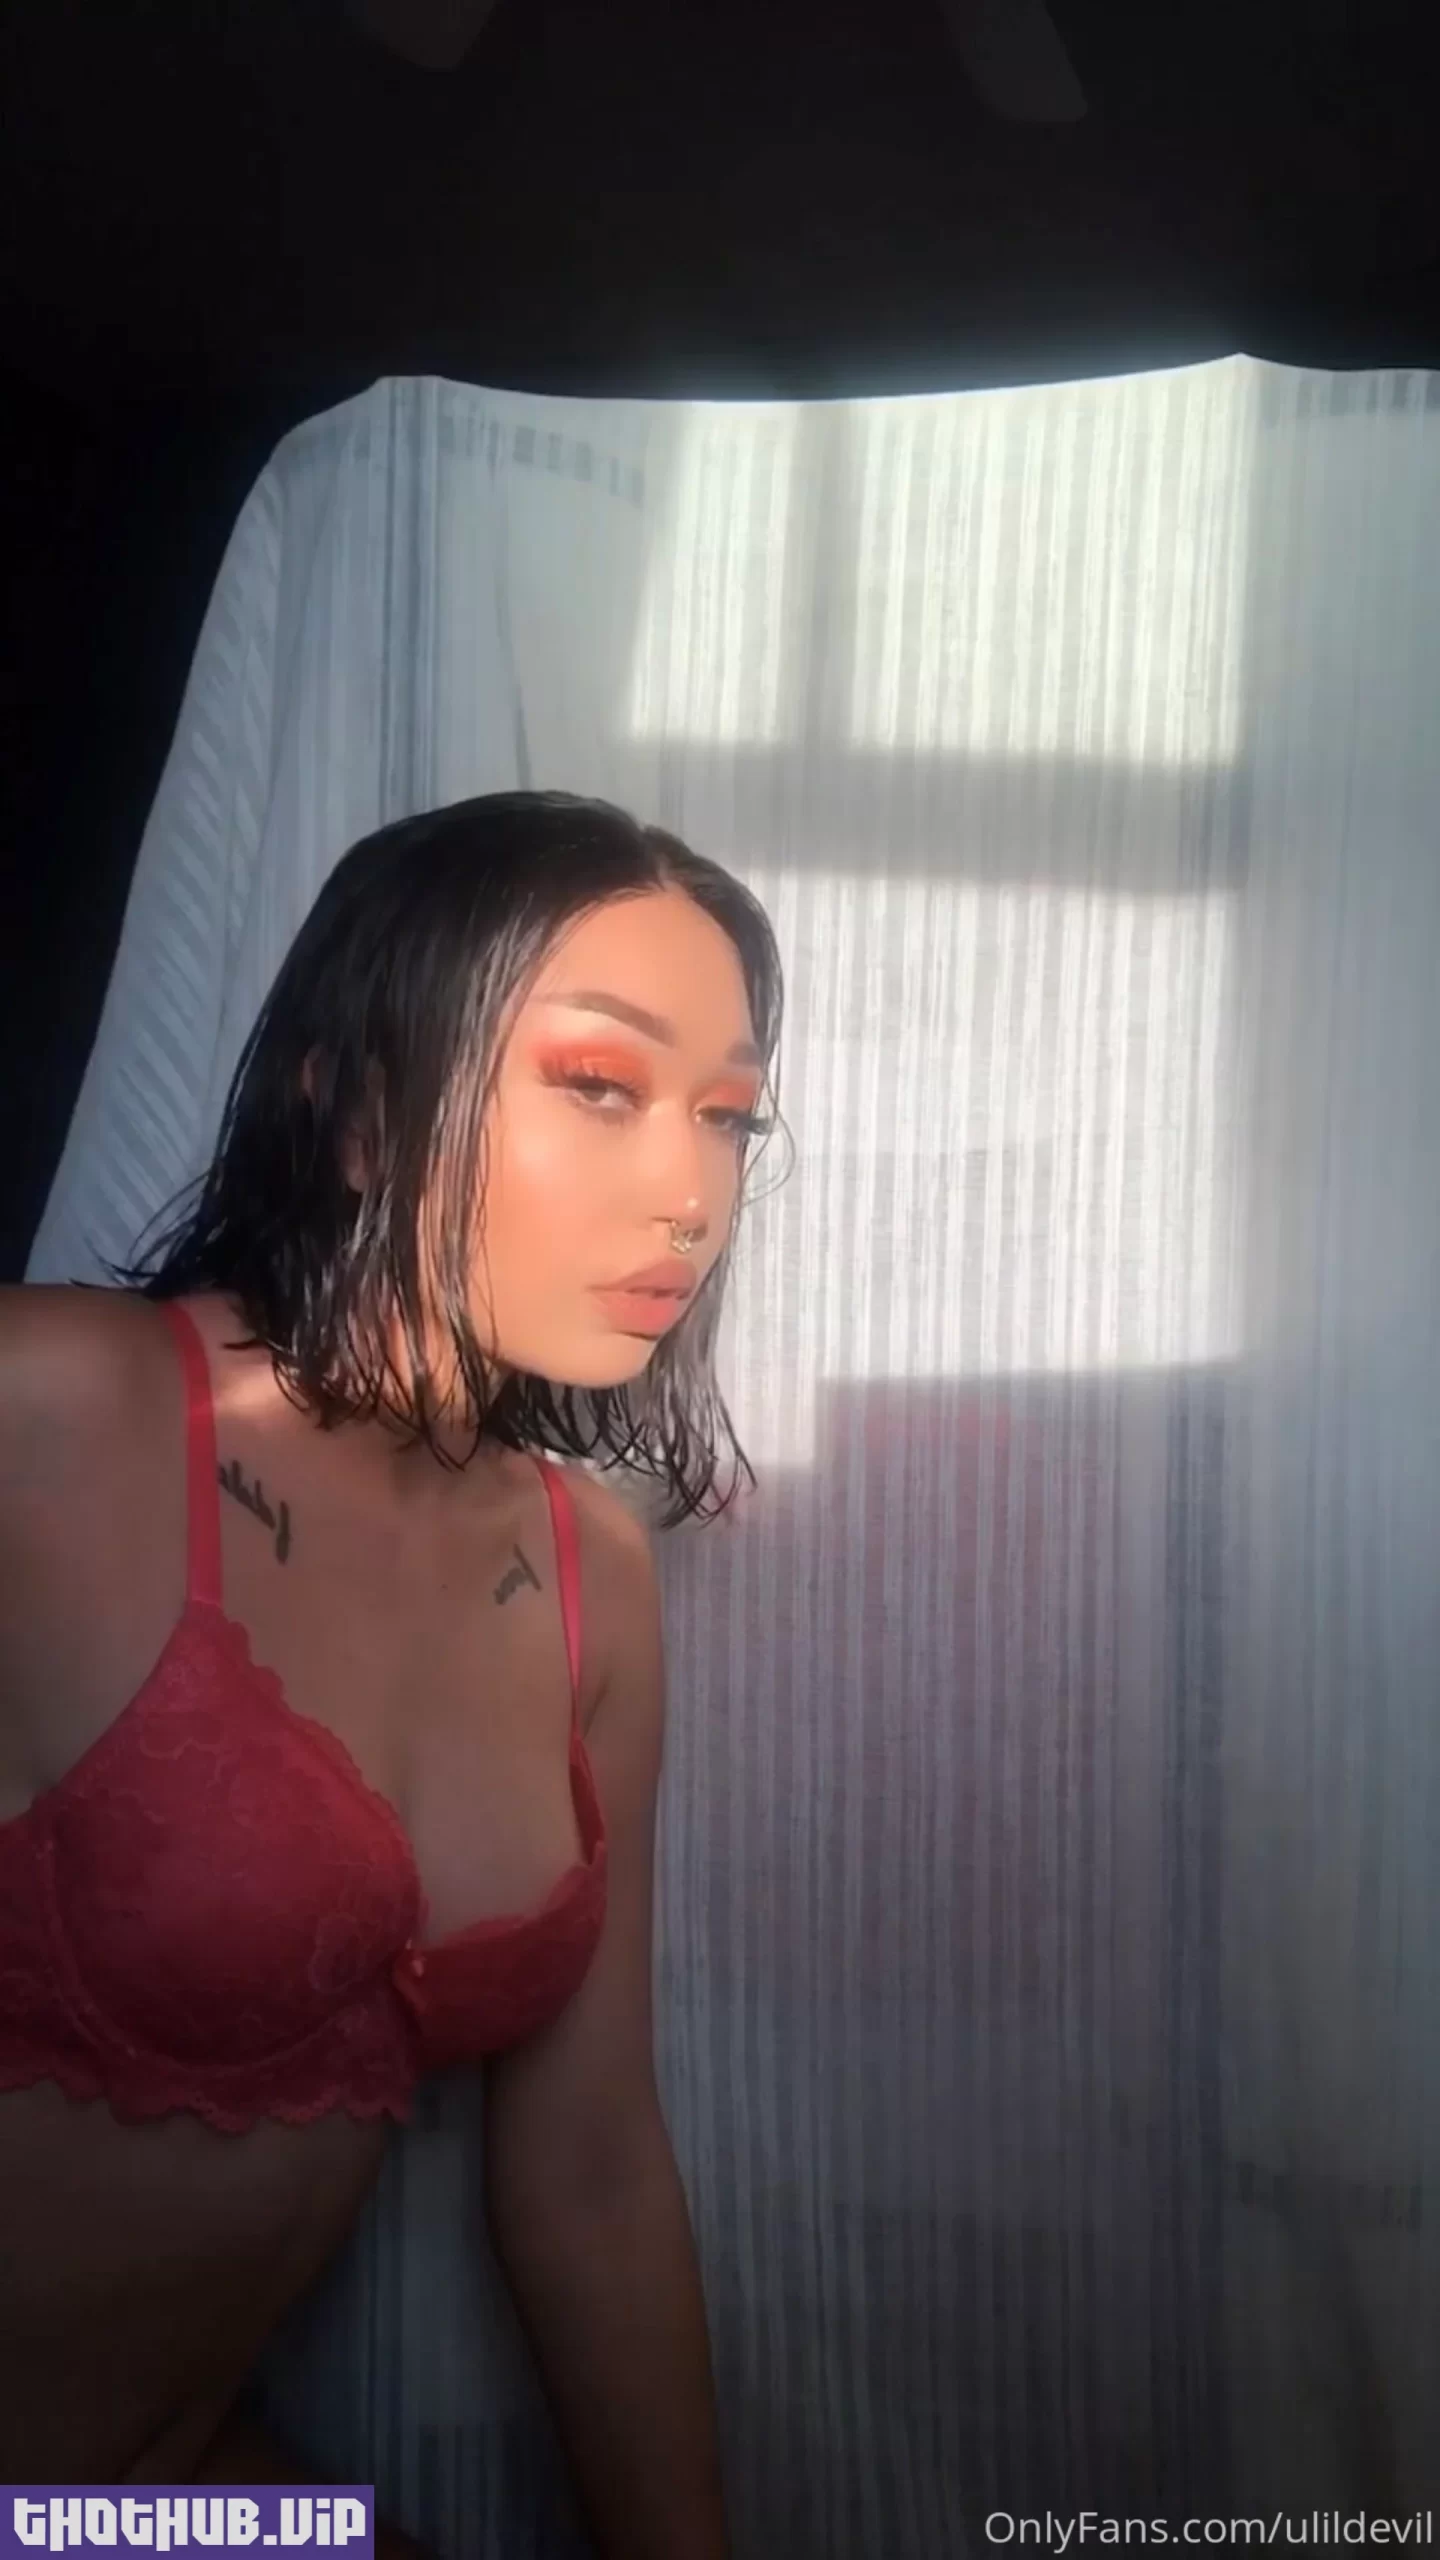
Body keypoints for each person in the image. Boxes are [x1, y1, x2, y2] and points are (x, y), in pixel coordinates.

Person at [0, 791, 786, 2557]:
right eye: (602, 1084)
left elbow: (588, 2176)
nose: (691, 1194)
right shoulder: (48, 1413)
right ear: (356, 1110)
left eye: (731, 1117)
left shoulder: (592, 1581)